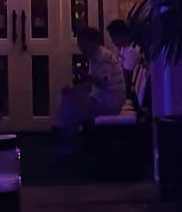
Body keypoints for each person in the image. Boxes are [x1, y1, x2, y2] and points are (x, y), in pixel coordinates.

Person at [53, 25, 127, 154]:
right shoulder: (95, 56)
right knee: (69, 97)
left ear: (92, 42)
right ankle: (64, 137)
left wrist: (83, 74)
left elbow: (103, 82)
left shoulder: (103, 57)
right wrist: (74, 89)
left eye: (82, 44)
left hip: (110, 102)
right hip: (103, 98)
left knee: (72, 109)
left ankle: (64, 139)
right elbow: (93, 84)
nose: (80, 48)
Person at [106, 19, 142, 111]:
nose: (112, 41)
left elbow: (126, 77)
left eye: (113, 37)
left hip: (126, 93)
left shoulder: (131, 51)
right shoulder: (123, 49)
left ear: (121, 34)